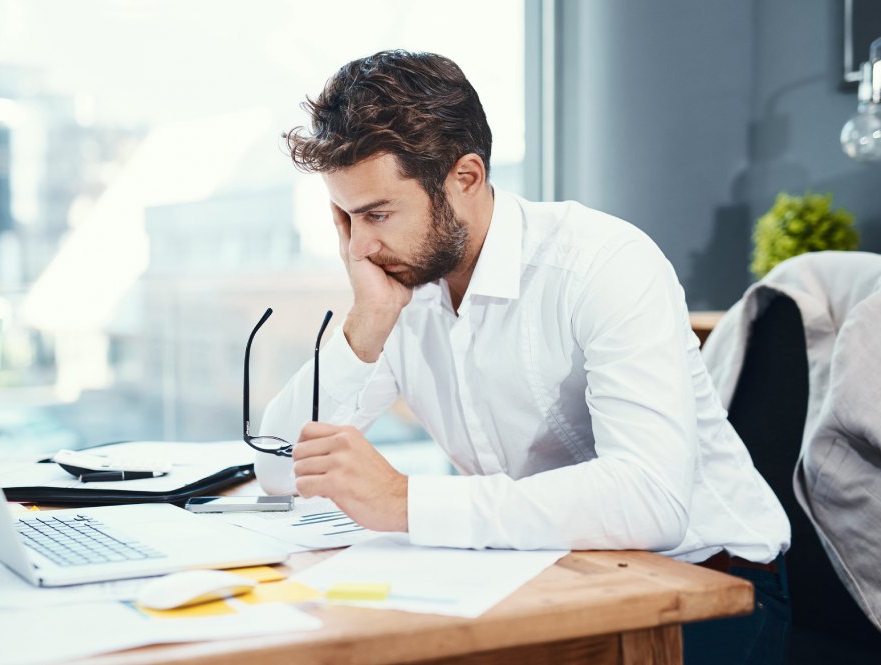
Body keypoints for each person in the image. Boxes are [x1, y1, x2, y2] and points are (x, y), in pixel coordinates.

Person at [255, 50, 791, 664]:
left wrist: (405, 501)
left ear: (465, 177)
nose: (362, 247)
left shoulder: (604, 262)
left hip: (709, 584)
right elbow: (277, 470)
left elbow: (651, 500)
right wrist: (366, 323)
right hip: (543, 573)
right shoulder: (397, 285)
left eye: (377, 214)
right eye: (347, 219)